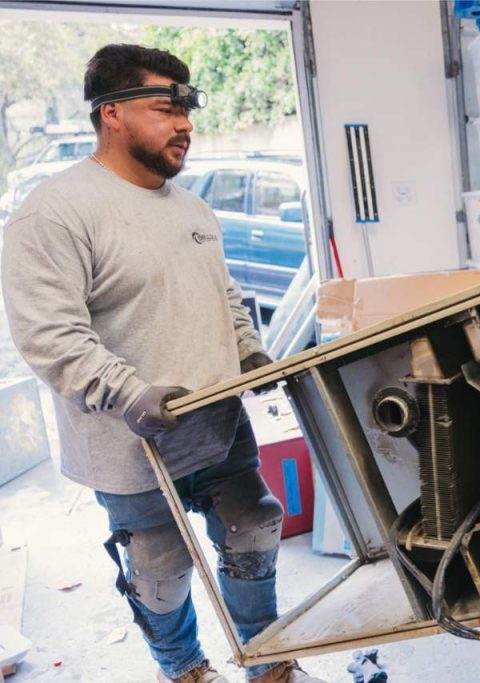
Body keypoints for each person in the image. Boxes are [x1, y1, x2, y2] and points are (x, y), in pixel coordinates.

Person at [1, 44, 325, 683]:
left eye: (187, 110)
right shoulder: (55, 212)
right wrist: (127, 391)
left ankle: (267, 660)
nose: (185, 124)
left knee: (254, 529)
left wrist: (249, 350)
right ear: (112, 113)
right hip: (131, 440)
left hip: (218, 423)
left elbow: (224, 295)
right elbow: (50, 335)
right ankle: (182, 670)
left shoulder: (192, 208)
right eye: (165, 108)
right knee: (160, 566)